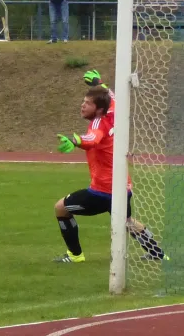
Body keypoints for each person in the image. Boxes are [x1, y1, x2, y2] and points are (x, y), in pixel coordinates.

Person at [53, 86, 168, 262]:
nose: (82, 105)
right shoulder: (113, 111)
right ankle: (157, 254)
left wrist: (75, 140)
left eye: (87, 103)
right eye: (83, 101)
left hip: (102, 191)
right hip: (122, 185)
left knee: (61, 208)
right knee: (127, 221)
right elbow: (112, 96)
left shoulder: (98, 122)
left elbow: (93, 139)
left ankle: (75, 255)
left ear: (99, 109)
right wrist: (100, 83)